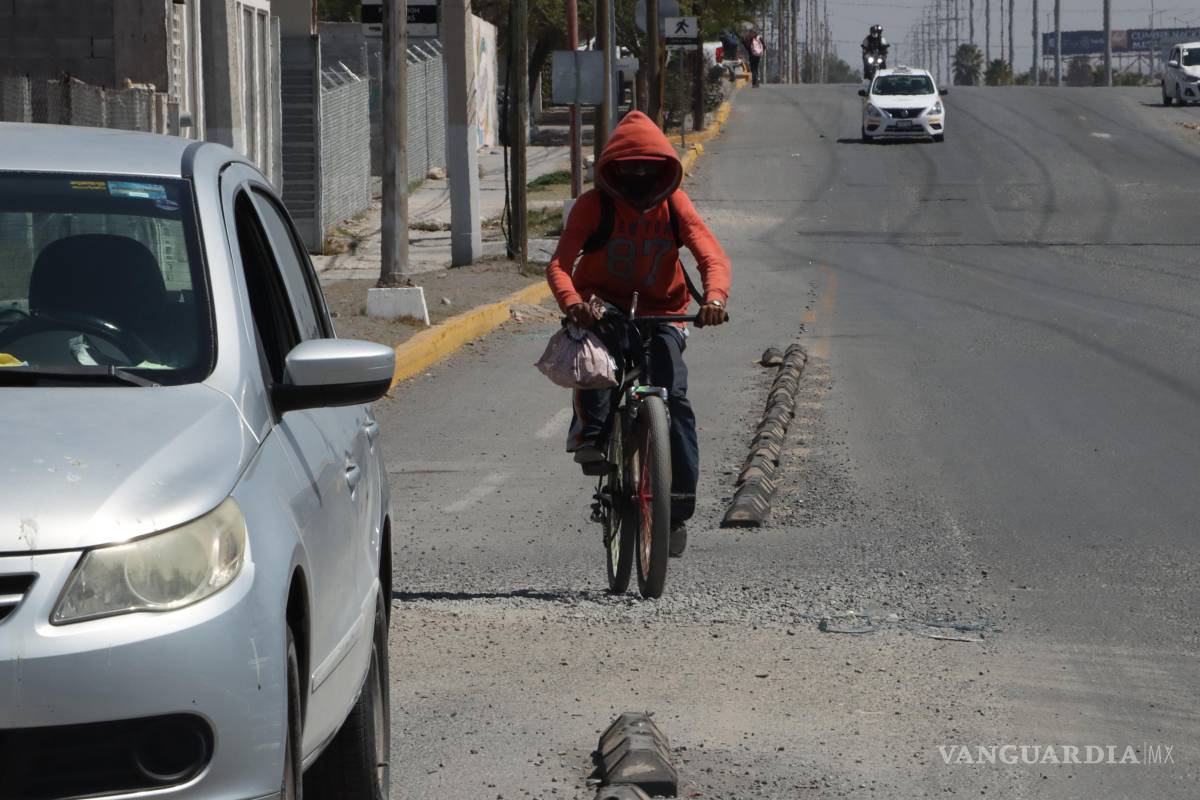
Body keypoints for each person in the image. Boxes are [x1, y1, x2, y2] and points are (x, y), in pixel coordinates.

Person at [545, 111, 731, 557]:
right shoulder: (594, 205)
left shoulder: (675, 205)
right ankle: (591, 437)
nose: (640, 175)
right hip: (602, 307)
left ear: (665, 169)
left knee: (676, 398)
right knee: (597, 364)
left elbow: (711, 255)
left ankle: (677, 506)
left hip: (664, 312)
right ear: (612, 169)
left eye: (649, 167)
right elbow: (558, 265)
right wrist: (574, 306)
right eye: (630, 167)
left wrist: (715, 299)